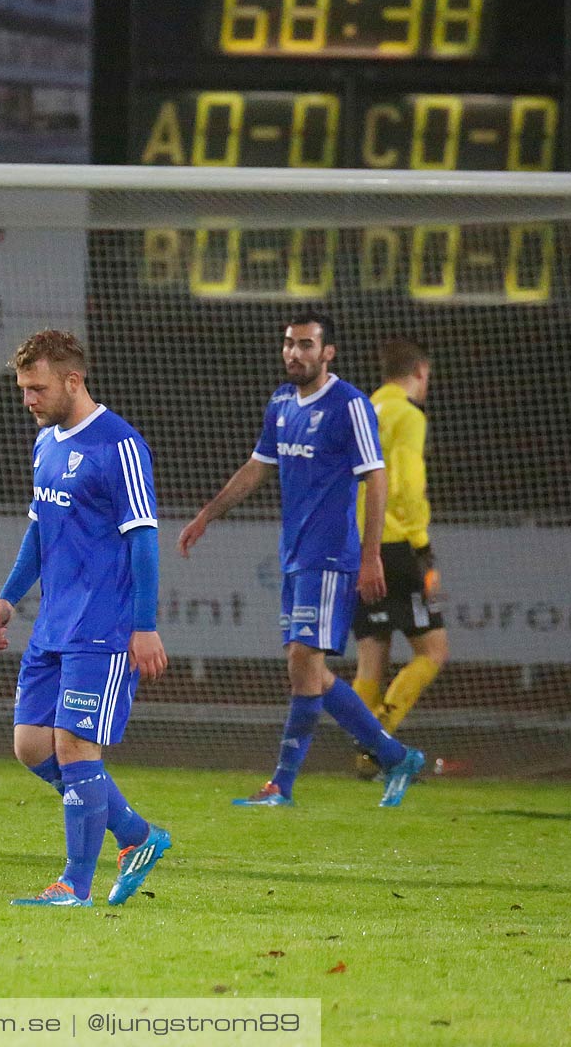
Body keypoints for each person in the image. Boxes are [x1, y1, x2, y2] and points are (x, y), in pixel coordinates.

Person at [179, 312, 426, 809]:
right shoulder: (281, 402)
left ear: (327, 352)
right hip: (294, 555)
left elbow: (375, 478)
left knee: (302, 662)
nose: (295, 353)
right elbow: (257, 467)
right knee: (310, 672)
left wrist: (371, 555)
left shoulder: (350, 404)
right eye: (289, 344)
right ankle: (395, 756)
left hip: (331, 555)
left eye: (306, 345)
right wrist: (210, 512)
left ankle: (281, 784)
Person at [0, 330, 171, 908]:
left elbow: (144, 541)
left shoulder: (120, 445)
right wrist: (8, 597)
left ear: (73, 380)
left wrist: (144, 624)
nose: (28, 400)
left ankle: (74, 884)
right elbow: (40, 531)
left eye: (37, 388)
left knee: (75, 747)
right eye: (22, 389)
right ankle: (138, 835)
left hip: (104, 624)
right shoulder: (46, 445)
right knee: (31, 745)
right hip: (54, 625)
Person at [350, 337, 448, 777]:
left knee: (372, 652)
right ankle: (381, 737)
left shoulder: (365, 409)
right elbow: (407, 483)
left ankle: (363, 755)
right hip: (397, 546)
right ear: (420, 371)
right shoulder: (408, 415)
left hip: (358, 544)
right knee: (433, 650)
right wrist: (422, 546)